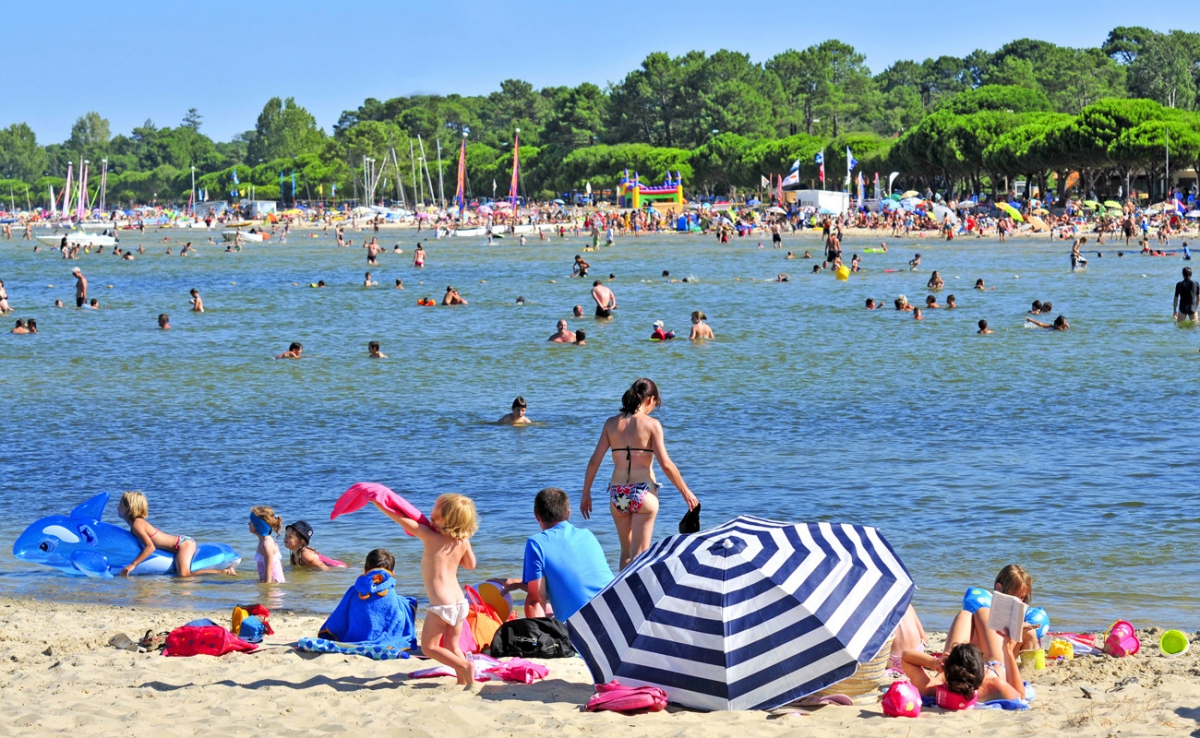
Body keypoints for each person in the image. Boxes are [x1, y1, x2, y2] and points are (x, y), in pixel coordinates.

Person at [581, 378, 699, 569]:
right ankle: (639, 597)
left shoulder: (611, 424)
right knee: (640, 556)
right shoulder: (652, 425)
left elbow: (595, 460)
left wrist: (586, 493)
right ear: (650, 399)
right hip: (643, 493)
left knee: (626, 554)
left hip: (617, 493)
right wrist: (686, 492)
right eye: (655, 404)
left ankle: (621, 596)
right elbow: (666, 464)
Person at [372, 493, 479, 688]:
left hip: (442, 604)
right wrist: (463, 544)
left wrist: (378, 503)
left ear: (445, 519)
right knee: (452, 646)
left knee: (429, 648)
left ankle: (465, 666)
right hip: (460, 603)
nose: (431, 515)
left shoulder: (430, 536)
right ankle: (463, 681)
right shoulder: (462, 541)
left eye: (435, 512)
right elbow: (471, 565)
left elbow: (401, 520)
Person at [505, 487, 613, 620]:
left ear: (536, 515)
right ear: (568, 513)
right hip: (615, 612)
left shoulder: (536, 543)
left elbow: (537, 601)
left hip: (582, 630)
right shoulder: (587, 535)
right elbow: (567, 585)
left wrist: (536, 639)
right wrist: (518, 583)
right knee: (550, 610)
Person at [945, 564, 1034, 700]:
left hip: (986, 667)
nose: (1019, 601)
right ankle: (949, 666)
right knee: (968, 614)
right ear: (999, 588)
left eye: (1022, 598)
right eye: (1015, 596)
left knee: (974, 613)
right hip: (988, 667)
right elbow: (1020, 696)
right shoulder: (984, 615)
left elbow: (1033, 663)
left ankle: (947, 668)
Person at [117, 491, 232, 577]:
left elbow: (150, 547)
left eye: (120, 504)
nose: (117, 507)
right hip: (180, 543)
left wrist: (133, 564)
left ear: (128, 508)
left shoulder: (137, 524)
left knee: (184, 575)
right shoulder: (135, 525)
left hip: (183, 544)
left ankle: (224, 571)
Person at [901, 642, 1021, 710]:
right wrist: (1008, 651)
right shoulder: (995, 685)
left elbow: (906, 657)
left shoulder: (932, 690)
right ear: (982, 671)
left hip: (964, 673)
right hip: (996, 667)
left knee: (966, 615)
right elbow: (1020, 696)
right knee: (977, 615)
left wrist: (934, 663)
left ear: (947, 669)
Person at [249, 506, 285, 583]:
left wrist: (267, 588)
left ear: (258, 525)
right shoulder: (263, 541)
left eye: (251, 522)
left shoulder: (267, 544)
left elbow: (269, 568)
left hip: (274, 584)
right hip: (270, 581)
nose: (248, 523)